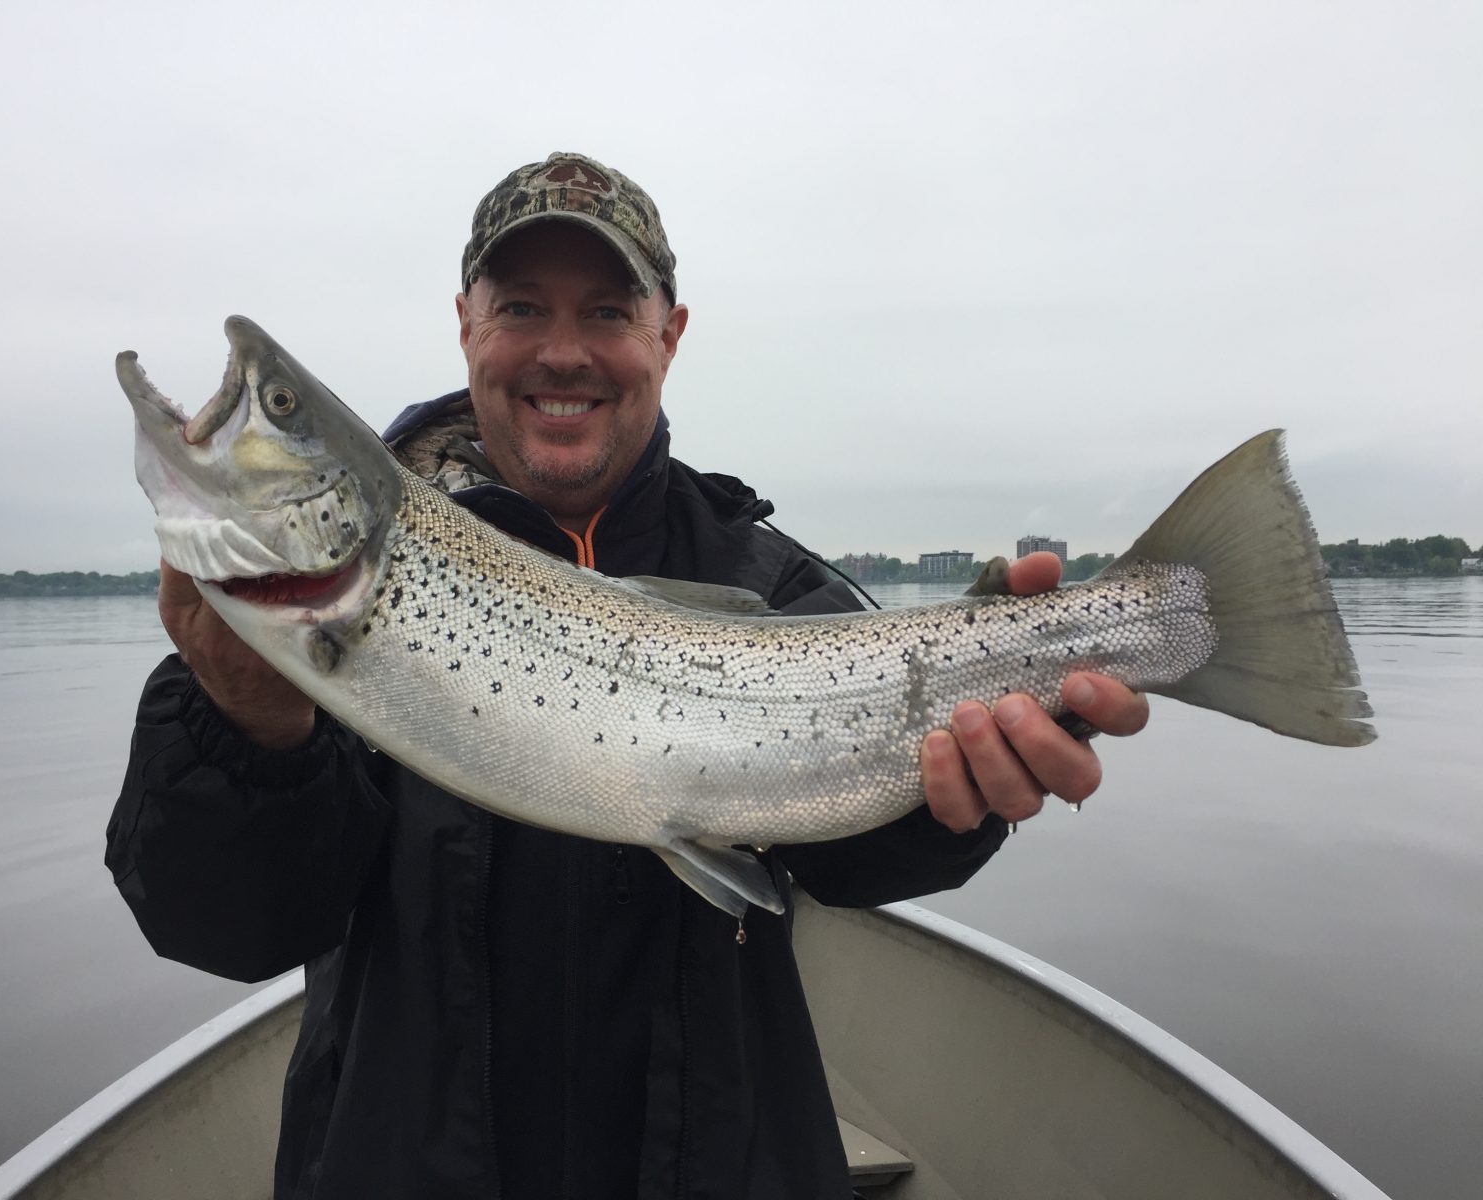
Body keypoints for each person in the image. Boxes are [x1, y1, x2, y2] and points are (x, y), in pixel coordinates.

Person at [106, 152, 1149, 1199]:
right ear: (465, 324)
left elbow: (858, 863)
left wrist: (966, 797)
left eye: (607, 311)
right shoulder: (291, 639)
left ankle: (1185, 612)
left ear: (669, 335)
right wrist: (250, 728)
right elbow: (224, 928)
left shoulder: (771, 585)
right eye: (521, 306)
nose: (564, 352)